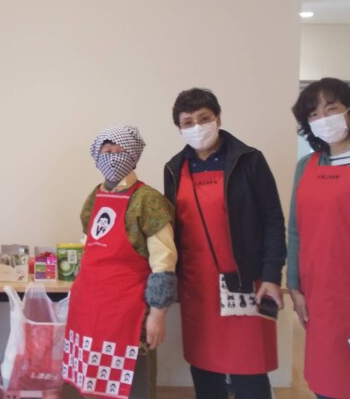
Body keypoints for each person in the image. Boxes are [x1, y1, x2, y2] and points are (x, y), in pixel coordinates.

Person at [163, 88, 286, 399]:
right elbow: (171, 230)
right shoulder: (174, 168)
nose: (196, 127)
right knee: (205, 369)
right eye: (188, 122)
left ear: (218, 118)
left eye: (203, 118)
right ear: (179, 128)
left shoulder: (249, 160)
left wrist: (272, 275)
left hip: (244, 280)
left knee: (249, 370)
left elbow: (273, 219)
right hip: (197, 287)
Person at [62, 125, 177, 399]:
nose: (113, 154)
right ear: (96, 155)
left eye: (120, 148)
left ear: (133, 154)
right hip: (87, 306)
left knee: (129, 383)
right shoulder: (95, 196)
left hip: (128, 310)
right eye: (107, 149)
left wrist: (158, 313)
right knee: (87, 380)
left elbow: (164, 261)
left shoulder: (148, 200)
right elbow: (88, 244)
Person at [288, 77, 350, 399]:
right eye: (314, 114)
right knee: (327, 381)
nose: (323, 118)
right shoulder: (306, 165)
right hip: (319, 295)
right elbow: (295, 229)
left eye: (332, 108)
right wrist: (295, 287)